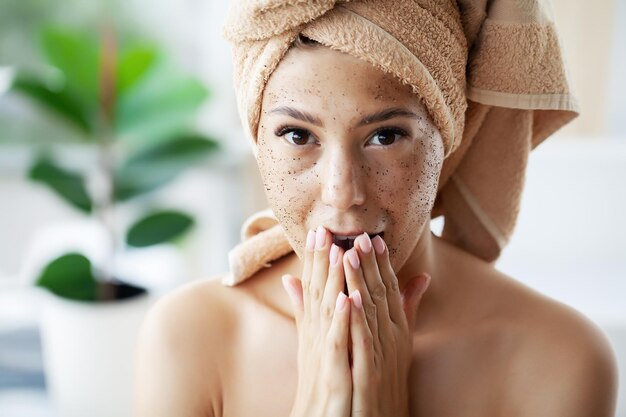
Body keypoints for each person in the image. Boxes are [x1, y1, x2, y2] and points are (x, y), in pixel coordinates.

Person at [133, 1, 618, 416]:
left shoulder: (559, 358)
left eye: (385, 136)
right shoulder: (191, 339)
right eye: (298, 135)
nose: (342, 193)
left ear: (448, 137)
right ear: (257, 139)